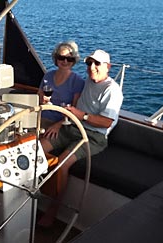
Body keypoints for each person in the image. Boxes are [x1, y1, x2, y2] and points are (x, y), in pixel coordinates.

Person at [38, 49, 123, 227]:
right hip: (72, 127)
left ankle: (52, 211)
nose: (92, 67)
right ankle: (30, 197)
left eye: (97, 64)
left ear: (108, 67)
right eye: (89, 63)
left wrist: (82, 115)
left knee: (61, 163)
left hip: (93, 137)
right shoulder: (87, 83)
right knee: (36, 151)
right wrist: (59, 123)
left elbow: (107, 122)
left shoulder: (112, 90)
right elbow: (72, 103)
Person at [38, 41, 85, 129]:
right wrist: (43, 100)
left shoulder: (77, 82)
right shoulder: (48, 76)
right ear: (56, 59)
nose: (65, 61)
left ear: (74, 61)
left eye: (69, 59)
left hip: (62, 124)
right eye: (61, 58)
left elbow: (75, 111)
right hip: (41, 118)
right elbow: (39, 98)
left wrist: (58, 126)